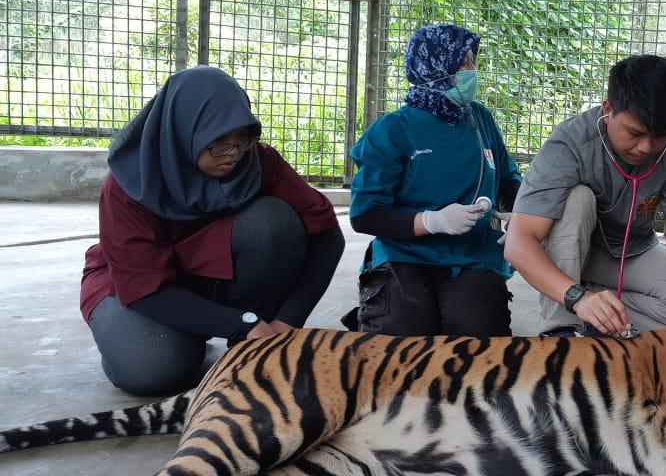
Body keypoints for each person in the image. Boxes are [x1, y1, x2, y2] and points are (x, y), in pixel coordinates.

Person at [81, 66, 345, 396]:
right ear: (182, 131)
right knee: (152, 368)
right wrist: (241, 324)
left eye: (242, 140)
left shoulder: (258, 162)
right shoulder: (127, 185)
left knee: (273, 221)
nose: (233, 154)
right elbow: (143, 288)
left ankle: (242, 338)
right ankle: (148, 340)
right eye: (218, 142)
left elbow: (327, 235)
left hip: (209, 274)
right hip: (136, 289)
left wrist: (286, 322)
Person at [504, 55, 666, 337]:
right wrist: (576, 298)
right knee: (577, 199)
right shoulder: (570, 142)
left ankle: (597, 309)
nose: (645, 147)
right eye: (635, 133)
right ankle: (561, 328)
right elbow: (518, 243)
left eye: (659, 136)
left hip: (630, 252)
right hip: (568, 252)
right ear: (608, 109)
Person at [344, 24, 521, 338]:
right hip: (405, 255)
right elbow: (364, 214)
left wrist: (520, 217)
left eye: (472, 61)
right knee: (400, 337)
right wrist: (431, 221)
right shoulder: (393, 130)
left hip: (472, 255)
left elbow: (507, 177)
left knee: (476, 333)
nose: (473, 70)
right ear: (436, 67)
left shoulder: (480, 120)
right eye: (464, 62)